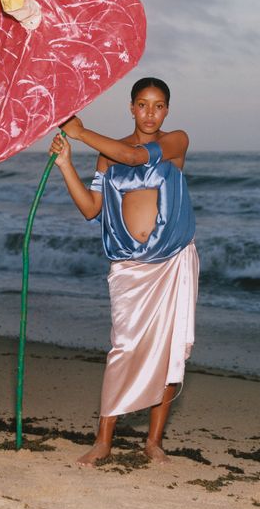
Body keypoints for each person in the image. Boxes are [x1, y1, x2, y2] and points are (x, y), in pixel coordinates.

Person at [49, 77, 199, 466]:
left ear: (167, 110)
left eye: (158, 106)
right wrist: (66, 164)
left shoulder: (176, 142)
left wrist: (81, 132)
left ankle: (153, 442)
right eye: (143, 104)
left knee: (169, 351)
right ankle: (103, 441)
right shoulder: (107, 155)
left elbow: (135, 158)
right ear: (131, 107)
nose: (150, 113)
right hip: (129, 267)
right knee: (124, 346)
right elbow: (90, 209)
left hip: (172, 260)